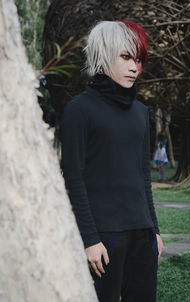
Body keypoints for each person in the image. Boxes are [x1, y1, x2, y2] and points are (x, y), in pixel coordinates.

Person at [60, 20, 163, 302]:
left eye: (139, 59)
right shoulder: (79, 110)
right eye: (126, 57)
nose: (135, 67)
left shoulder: (141, 112)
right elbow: (73, 179)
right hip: (103, 236)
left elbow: (143, 175)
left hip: (142, 234)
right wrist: (90, 239)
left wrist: (154, 230)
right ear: (103, 55)